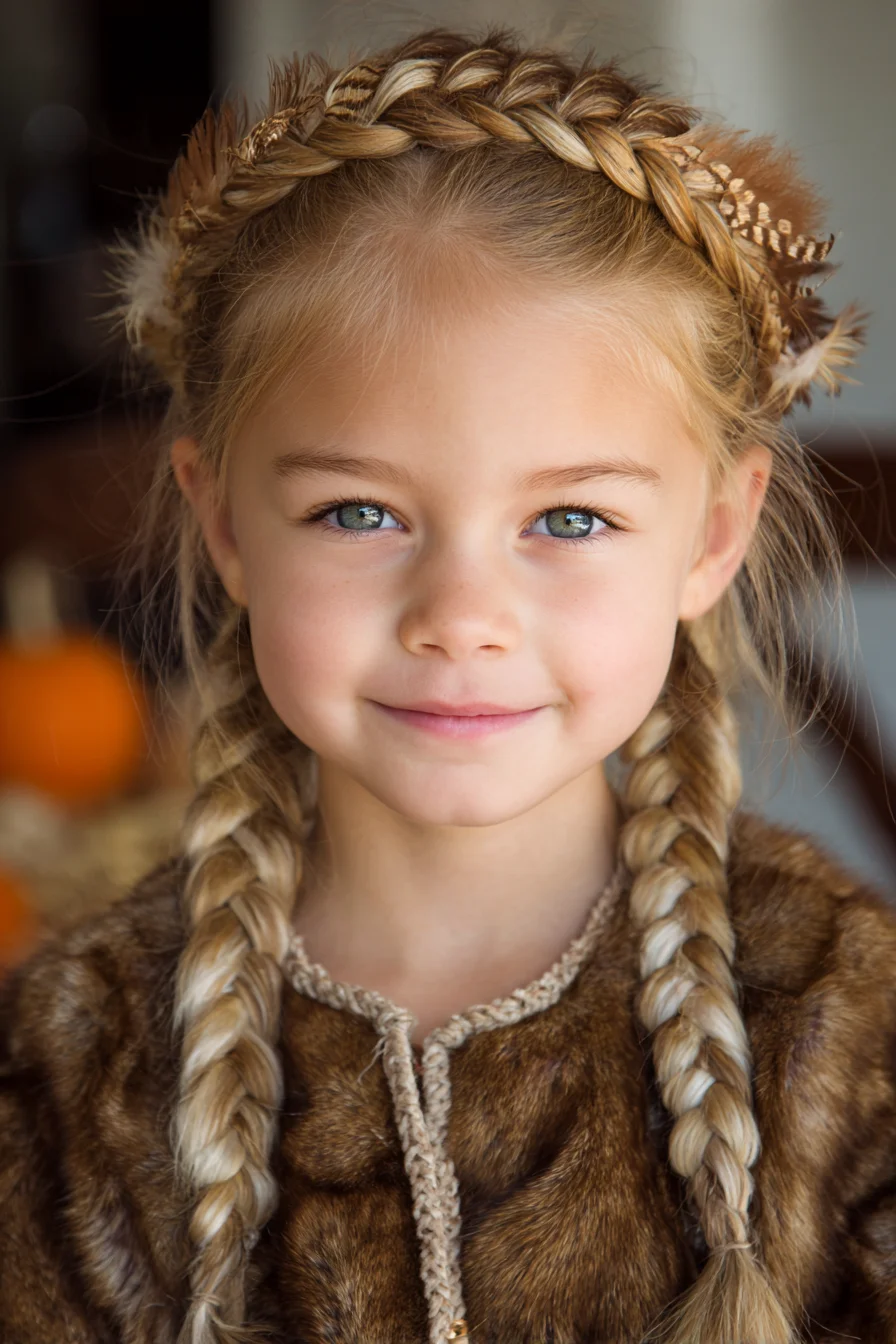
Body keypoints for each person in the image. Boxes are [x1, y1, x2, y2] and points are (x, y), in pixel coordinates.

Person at [1, 23, 893, 1344]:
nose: (461, 619)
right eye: (359, 514)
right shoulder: (82, 1051)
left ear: (712, 535)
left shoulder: (844, 1020)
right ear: (227, 524)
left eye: (572, 519)